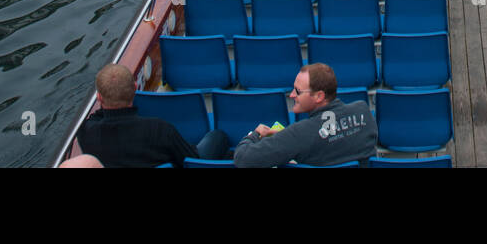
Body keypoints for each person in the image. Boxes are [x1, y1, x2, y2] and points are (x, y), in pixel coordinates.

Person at [77, 63, 230, 167]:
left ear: (99, 98)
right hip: (183, 153)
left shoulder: (86, 133)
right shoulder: (159, 129)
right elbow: (190, 159)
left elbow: (93, 119)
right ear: (135, 88)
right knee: (218, 136)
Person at [233, 64, 377, 168]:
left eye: (298, 91)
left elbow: (243, 159)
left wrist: (255, 134)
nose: (291, 95)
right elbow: (328, 135)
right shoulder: (363, 111)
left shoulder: (299, 134)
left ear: (319, 96)